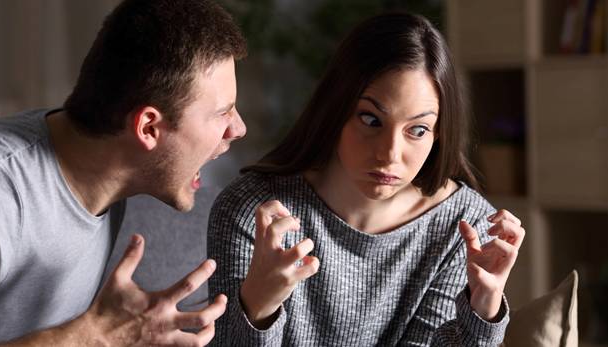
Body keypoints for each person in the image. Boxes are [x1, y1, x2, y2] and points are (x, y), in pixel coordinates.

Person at [208, 12, 525, 346]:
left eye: (417, 130)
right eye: (371, 120)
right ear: (336, 109)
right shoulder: (253, 212)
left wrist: (483, 312)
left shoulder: (465, 226)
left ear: (438, 135)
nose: (389, 153)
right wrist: (257, 307)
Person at [0, 0, 247, 345]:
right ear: (148, 128)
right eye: (223, 112)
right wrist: (90, 336)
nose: (238, 129)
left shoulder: (105, 176)